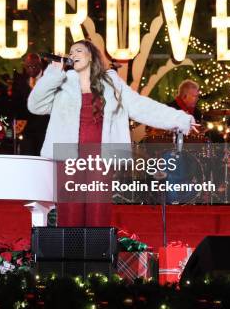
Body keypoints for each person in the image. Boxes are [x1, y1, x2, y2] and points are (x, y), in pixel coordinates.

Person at [28, 40, 197, 227]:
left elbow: (141, 106)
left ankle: (96, 252)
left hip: (100, 157)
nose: (73, 54)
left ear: (91, 56)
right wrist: (53, 73)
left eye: (79, 51)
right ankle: (70, 253)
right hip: (68, 156)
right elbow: (35, 105)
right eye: (71, 52)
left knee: (98, 209)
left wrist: (180, 119)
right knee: (70, 208)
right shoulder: (63, 82)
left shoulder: (111, 83)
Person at [11, 53, 49, 156]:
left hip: (45, 125)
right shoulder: (20, 78)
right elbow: (16, 101)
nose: (30, 69)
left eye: (34, 66)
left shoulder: (49, 78)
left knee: (44, 156)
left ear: (40, 65)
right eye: (28, 66)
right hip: (27, 127)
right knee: (27, 154)